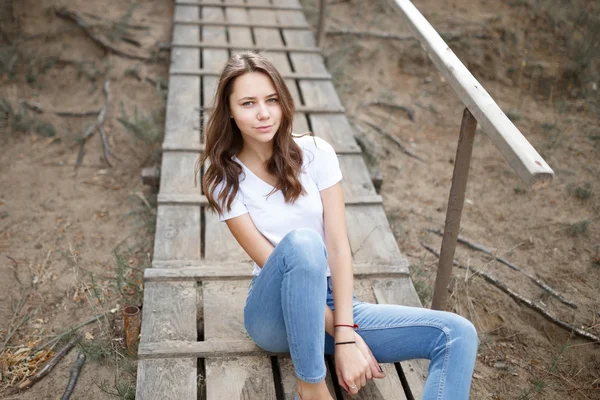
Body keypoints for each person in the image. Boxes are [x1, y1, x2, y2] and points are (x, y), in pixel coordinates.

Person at [195, 51, 478, 400]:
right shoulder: (224, 178)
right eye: (248, 103)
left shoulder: (315, 154)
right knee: (303, 244)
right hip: (273, 310)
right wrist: (347, 337)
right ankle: (312, 387)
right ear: (230, 112)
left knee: (457, 334)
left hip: (333, 302)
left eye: (271, 100)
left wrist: (346, 333)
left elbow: (340, 247)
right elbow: (274, 264)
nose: (264, 113)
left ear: (283, 102)